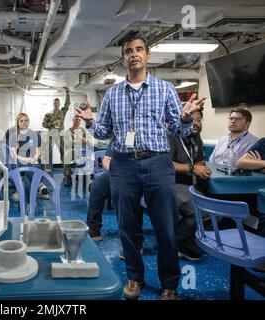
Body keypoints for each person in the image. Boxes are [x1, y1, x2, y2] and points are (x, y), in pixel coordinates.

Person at [75, 34, 205, 300]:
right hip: (123, 165)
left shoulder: (165, 89)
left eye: (139, 49)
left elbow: (179, 129)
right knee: (128, 225)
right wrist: (90, 122)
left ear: (146, 56)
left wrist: (184, 116)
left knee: (165, 226)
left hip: (158, 162)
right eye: (128, 51)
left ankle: (169, 284)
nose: (134, 54)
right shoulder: (112, 94)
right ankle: (135, 277)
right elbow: (103, 132)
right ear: (123, 59)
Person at [168, 109, 211, 261]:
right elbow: (166, 165)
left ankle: (182, 239)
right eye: (192, 119)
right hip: (169, 183)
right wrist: (192, 168)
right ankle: (174, 243)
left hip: (188, 185)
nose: (196, 123)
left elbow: (200, 160)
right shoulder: (171, 136)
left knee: (214, 213)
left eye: (199, 120)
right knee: (203, 211)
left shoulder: (196, 137)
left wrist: (201, 167)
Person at [5, 113, 43, 210]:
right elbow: (14, 155)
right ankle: (30, 200)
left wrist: (33, 158)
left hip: (32, 160)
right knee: (33, 172)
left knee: (27, 177)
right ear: (17, 123)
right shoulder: (13, 136)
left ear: (29, 121)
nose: (24, 122)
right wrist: (27, 159)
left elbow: (38, 152)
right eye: (21, 121)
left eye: (26, 120)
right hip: (18, 161)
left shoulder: (35, 135)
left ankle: (26, 202)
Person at [42, 88, 70, 174]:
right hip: (51, 134)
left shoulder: (62, 112)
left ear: (59, 104)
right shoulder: (48, 114)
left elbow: (67, 104)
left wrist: (67, 92)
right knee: (47, 152)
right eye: (55, 102)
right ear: (53, 104)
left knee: (64, 153)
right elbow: (43, 124)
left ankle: (67, 172)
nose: (56, 104)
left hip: (61, 134)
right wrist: (52, 124)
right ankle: (46, 171)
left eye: (58, 102)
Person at [62, 114, 90, 187]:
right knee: (67, 155)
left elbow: (90, 140)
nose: (77, 121)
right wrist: (80, 141)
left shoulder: (83, 130)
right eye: (76, 119)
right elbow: (68, 142)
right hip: (72, 150)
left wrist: (86, 141)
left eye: (79, 120)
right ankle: (68, 176)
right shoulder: (68, 131)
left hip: (83, 151)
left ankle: (84, 175)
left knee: (90, 155)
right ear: (73, 120)